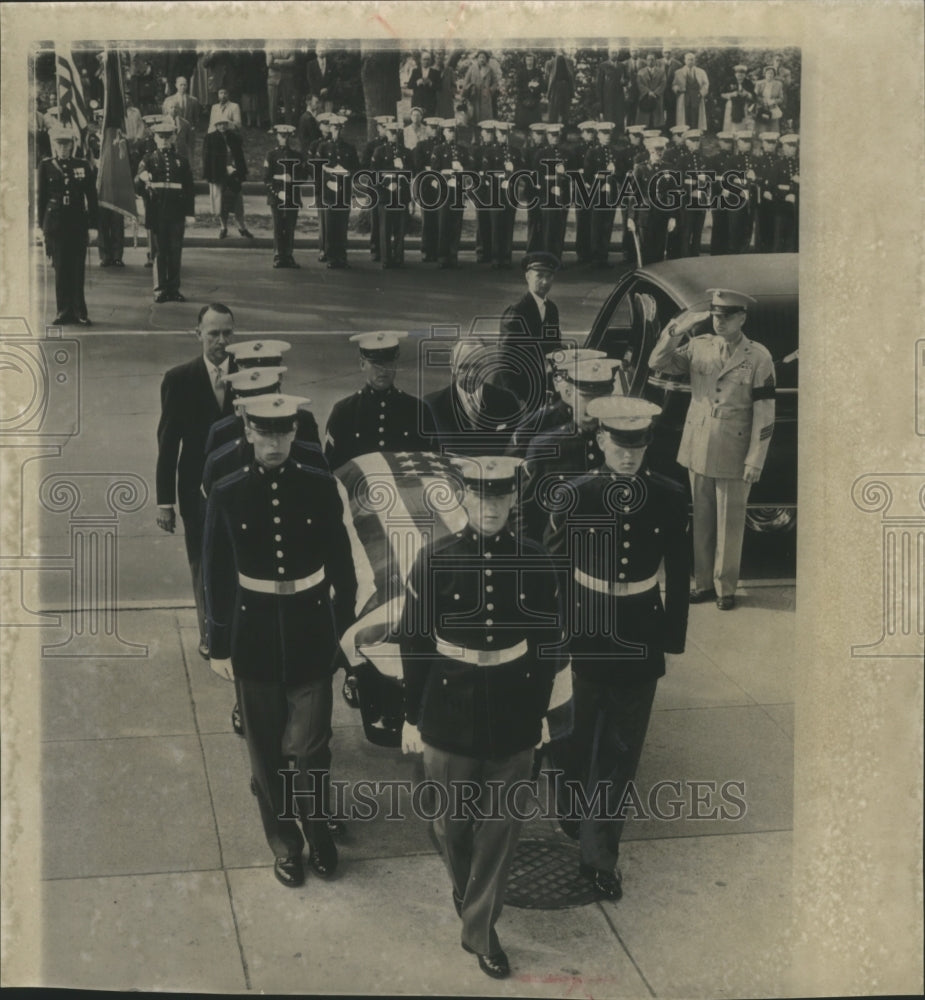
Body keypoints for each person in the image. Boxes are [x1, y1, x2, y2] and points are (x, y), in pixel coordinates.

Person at [399, 455, 572, 979]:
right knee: (451, 825)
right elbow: (413, 643)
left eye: (500, 496)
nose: (490, 506)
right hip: (449, 712)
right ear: (464, 499)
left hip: (515, 711)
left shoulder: (537, 561)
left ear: (514, 499)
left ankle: (481, 929)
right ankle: (465, 888)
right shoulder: (434, 560)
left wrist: (542, 712)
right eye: (480, 496)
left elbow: (546, 644)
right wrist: (411, 716)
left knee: (501, 829)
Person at [203, 393, 357, 888]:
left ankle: (320, 833)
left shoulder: (319, 487)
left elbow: (344, 570)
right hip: (253, 639)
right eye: (264, 433)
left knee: (309, 749)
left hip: (311, 631)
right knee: (267, 754)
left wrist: (342, 627)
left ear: (294, 433)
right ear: (247, 431)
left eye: (283, 432)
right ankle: (286, 845)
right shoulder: (227, 493)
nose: (274, 442)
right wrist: (220, 644)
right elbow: (217, 575)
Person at [545, 395, 689, 901]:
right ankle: (569, 800)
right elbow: (555, 568)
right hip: (584, 633)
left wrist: (672, 637)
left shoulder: (670, 495)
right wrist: (554, 638)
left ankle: (601, 856)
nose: (629, 455)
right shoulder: (576, 495)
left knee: (621, 753)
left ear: (648, 444)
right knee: (574, 743)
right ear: (601, 440)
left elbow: (680, 567)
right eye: (620, 443)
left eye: (639, 444)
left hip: (639, 637)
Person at [648, 288, 776, 609]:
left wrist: (755, 458)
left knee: (730, 523)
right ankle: (703, 583)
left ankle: (725, 588)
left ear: (742, 318)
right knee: (702, 519)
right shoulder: (699, 347)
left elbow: (764, 412)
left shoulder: (758, 357)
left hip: (735, 448)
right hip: (699, 444)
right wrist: (677, 328)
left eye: (727, 317)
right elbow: (657, 361)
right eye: (716, 316)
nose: (719, 322)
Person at [156, 303, 237, 659]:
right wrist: (165, 502)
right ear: (198, 334)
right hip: (196, 492)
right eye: (214, 333)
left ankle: (237, 631)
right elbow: (168, 443)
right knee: (203, 564)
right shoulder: (179, 379)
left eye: (227, 333)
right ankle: (209, 635)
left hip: (240, 487)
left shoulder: (252, 372)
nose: (221, 341)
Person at [520, 356, 620, 543]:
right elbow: (525, 513)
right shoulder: (545, 447)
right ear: (570, 394)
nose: (592, 404)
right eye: (585, 396)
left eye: (599, 397)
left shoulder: (618, 448)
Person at [323, 332, 434, 469]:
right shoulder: (344, 412)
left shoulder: (417, 410)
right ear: (362, 364)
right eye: (376, 363)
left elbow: (433, 462)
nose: (383, 370)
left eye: (389, 362)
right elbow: (331, 468)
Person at [37, 129, 98, 325]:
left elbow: (92, 197)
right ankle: (63, 311)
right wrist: (40, 226)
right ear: (54, 146)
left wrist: (93, 226)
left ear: (72, 145)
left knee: (77, 268)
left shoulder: (82, 165)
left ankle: (80, 312)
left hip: (77, 222)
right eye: (59, 144)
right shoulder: (46, 166)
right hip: (55, 223)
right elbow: (42, 199)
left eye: (66, 144)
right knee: (61, 268)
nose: (63, 148)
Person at [425, 339, 522, 453]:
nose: (471, 375)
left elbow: (517, 448)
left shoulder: (507, 401)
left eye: (477, 367)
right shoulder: (432, 406)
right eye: (464, 367)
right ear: (453, 368)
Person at [136, 120, 195, 303]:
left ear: (173, 138)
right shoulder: (148, 160)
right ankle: (160, 289)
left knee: (175, 251)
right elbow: (137, 186)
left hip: (176, 213)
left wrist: (190, 213)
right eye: (160, 137)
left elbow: (189, 189)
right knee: (160, 253)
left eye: (167, 136)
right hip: (157, 213)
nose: (164, 140)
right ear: (154, 138)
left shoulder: (181, 161)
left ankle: (174, 288)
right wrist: (142, 180)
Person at [498, 252, 562, 408]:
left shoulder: (552, 309)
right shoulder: (517, 311)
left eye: (549, 276)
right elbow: (506, 359)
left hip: (540, 387)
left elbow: (554, 346)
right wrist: (514, 398)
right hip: (516, 389)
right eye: (539, 276)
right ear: (528, 277)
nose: (545, 281)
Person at [627, 135, 679, 265]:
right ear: (650, 150)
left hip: (662, 214)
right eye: (656, 150)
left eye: (661, 149)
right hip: (645, 215)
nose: (659, 153)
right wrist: (631, 217)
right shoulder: (640, 168)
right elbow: (634, 194)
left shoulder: (669, 168)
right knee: (645, 250)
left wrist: (672, 216)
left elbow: (672, 194)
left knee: (660, 250)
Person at [203, 117, 253, 241]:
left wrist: (239, 170)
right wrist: (209, 174)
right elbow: (206, 158)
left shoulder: (234, 137)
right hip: (219, 175)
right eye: (219, 124)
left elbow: (239, 155)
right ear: (215, 125)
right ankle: (223, 227)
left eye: (224, 124)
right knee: (221, 204)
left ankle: (241, 227)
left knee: (237, 202)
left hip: (233, 174)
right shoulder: (210, 138)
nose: (222, 127)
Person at [430, 118, 471, 269]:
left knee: (456, 223)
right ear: (443, 133)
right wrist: (446, 173)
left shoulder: (462, 150)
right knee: (443, 223)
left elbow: (469, 168)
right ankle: (442, 255)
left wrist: (462, 169)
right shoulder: (438, 150)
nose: (452, 134)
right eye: (449, 131)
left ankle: (453, 254)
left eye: (454, 131)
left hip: (458, 190)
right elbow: (434, 172)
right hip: (445, 190)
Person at [370, 121, 411, 268]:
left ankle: (399, 258)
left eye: (396, 133)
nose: (394, 136)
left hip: (401, 194)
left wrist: (403, 167)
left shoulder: (406, 152)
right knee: (385, 228)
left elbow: (412, 173)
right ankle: (386, 259)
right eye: (391, 132)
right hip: (386, 196)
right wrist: (387, 184)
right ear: (387, 134)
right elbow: (374, 174)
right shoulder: (379, 151)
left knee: (400, 228)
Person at [318, 114, 358, 269]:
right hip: (329, 191)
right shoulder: (324, 147)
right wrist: (330, 170)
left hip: (344, 190)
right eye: (334, 128)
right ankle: (331, 256)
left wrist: (348, 172)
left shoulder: (349, 148)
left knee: (342, 224)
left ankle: (341, 255)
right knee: (330, 224)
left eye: (339, 128)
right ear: (330, 129)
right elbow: (317, 167)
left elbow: (356, 168)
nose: (337, 132)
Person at [586, 121, 627, 268]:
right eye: (603, 133)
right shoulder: (593, 152)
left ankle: (604, 256)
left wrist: (615, 171)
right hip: (597, 194)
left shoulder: (616, 152)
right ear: (598, 135)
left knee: (607, 225)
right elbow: (587, 175)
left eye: (608, 133)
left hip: (611, 194)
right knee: (596, 225)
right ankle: (595, 257)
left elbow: (622, 174)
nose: (607, 136)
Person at [264, 124, 304, 268]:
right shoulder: (272, 155)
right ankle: (278, 255)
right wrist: (277, 190)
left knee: (290, 226)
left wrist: (293, 178)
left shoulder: (296, 156)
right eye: (281, 135)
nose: (284, 139)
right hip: (277, 196)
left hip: (292, 195)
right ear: (277, 136)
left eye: (286, 136)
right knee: (278, 226)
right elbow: (267, 179)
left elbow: (303, 176)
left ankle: (288, 254)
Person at [678, 129, 708, 257]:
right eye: (693, 140)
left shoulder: (703, 159)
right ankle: (684, 257)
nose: (696, 143)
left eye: (697, 140)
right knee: (686, 231)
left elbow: (709, 178)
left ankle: (695, 255)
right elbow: (679, 179)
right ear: (686, 142)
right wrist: (692, 190)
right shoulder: (683, 160)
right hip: (687, 200)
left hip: (701, 199)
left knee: (698, 230)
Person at [728, 131, 758, 252]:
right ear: (738, 143)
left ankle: (744, 254)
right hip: (736, 199)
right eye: (743, 141)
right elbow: (728, 179)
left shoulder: (756, 160)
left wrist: (755, 177)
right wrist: (744, 178)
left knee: (748, 228)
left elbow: (762, 177)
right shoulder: (732, 160)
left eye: (748, 141)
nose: (746, 144)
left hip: (750, 199)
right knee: (735, 228)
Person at [708, 132, 736, 255]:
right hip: (718, 195)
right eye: (725, 141)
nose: (728, 144)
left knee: (732, 226)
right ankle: (716, 253)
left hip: (733, 196)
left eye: (730, 141)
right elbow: (712, 179)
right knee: (719, 225)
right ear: (720, 142)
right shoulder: (714, 159)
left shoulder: (735, 158)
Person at [771, 133, 799, 252]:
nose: (792, 148)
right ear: (783, 147)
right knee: (779, 237)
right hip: (781, 205)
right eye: (789, 146)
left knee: (794, 239)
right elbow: (772, 186)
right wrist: (785, 196)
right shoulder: (778, 165)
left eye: (794, 146)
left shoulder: (800, 164)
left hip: (797, 205)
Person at [754, 131, 780, 252]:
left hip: (776, 197)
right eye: (768, 143)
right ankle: (761, 250)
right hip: (762, 197)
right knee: (762, 226)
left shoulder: (779, 161)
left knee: (775, 227)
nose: (770, 146)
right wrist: (764, 191)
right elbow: (756, 179)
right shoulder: (758, 161)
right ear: (763, 144)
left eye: (773, 143)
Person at [671, 52, 709, 131]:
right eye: (688, 60)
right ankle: (685, 133)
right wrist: (677, 88)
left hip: (696, 96)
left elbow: (706, 84)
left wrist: (701, 93)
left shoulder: (701, 72)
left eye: (692, 60)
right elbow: (674, 84)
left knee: (696, 115)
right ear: (685, 61)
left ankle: (696, 133)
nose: (690, 61)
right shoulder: (678, 72)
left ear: (694, 61)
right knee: (685, 116)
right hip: (684, 96)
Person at [461, 50, 500, 125]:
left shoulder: (490, 69)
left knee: (485, 120)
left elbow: (495, 82)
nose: (482, 59)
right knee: (473, 118)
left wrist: (490, 90)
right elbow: (466, 81)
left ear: (486, 59)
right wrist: (464, 94)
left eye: (484, 57)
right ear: (477, 59)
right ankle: (474, 135)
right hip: (474, 95)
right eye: (480, 57)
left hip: (485, 97)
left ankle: (485, 134)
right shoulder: (472, 68)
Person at [595, 46, 626, 133]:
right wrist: (600, 98)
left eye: (616, 53)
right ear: (609, 54)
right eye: (612, 53)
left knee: (619, 116)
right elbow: (599, 84)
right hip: (608, 96)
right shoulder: (603, 66)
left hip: (619, 96)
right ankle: (609, 135)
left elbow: (626, 79)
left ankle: (619, 135)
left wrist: (624, 81)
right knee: (609, 116)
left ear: (618, 54)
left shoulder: (622, 66)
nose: (614, 55)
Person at [266, 47, 298, 126]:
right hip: (273, 80)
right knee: (272, 104)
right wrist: (286, 63)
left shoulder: (290, 47)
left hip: (287, 79)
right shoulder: (270, 47)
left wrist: (278, 61)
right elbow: (269, 63)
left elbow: (293, 61)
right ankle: (273, 126)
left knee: (288, 104)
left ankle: (289, 125)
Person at [514, 52, 545, 132]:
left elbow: (542, 85)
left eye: (531, 60)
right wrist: (528, 89)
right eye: (528, 60)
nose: (529, 62)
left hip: (534, 98)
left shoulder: (538, 72)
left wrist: (534, 90)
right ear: (525, 61)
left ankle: (535, 138)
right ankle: (525, 138)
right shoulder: (521, 72)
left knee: (535, 123)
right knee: (523, 122)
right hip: (523, 99)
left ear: (534, 61)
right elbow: (518, 85)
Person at [721, 64, 755, 134]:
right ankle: (729, 138)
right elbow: (721, 94)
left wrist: (747, 94)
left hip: (744, 106)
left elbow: (754, 96)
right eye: (738, 74)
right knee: (729, 123)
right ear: (735, 74)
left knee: (742, 124)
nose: (740, 76)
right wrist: (731, 94)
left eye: (742, 74)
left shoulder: (748, 83)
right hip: (731, 105)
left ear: (745, 75)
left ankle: (741, 139)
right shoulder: (729, 81)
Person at [405, 51, 441, 118]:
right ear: (421, 60)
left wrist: (431, 83)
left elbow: (439, 87)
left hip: (430, 103)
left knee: (429, 121)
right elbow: (409, 85)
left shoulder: (436, 73)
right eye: (424, 59)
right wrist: (417, 83)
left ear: (430, 61)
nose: (426, 61)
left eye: (428, 59)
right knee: (417, 121)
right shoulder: (415, 71)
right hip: (417, 102)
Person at [635, 52, 666, 127]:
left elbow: (663, 84)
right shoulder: (641, 72)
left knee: (656, 118)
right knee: (644, 118)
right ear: (646, 61)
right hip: (645, 97)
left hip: (657, 97)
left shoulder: (661, 72)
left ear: (655, 61)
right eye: (648, 60)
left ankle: (656, 131)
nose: (650, 61)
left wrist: (655, 93)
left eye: (652, 59)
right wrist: (648, 92)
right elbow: (639, 84)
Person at [546, 51, 575, 125]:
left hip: (566, 87)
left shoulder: (570, 62)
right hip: (555, 87)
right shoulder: (550, 63)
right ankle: (552, 132)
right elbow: (547, 77)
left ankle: (564, 134)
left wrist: (572, 92)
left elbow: (571, 77)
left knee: (566, 113)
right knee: (553, 112)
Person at [307, 43, 337, 113]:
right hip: (316, 95)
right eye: (319, 51)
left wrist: (327, 89)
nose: (321, 52)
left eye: (323, 50)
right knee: (316, 117)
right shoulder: (310, 64)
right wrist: (319, 90)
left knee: (328, 118)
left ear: (326, 51)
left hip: (328, 96)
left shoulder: (332, 63)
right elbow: (310, 80)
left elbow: (334, 79)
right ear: (316, 52)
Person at [753, 65, 784, 134]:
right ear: (765, 74)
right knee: (761, 129)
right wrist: (762, 101)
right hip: (761, 109)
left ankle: (772, 143)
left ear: (774, 75)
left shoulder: (778, 84)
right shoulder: (759, 83)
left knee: (773, 130)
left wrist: (774, 101)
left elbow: (781, 99)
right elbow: (755, 96)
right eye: (768, 73)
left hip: (773, 108)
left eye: (772, 73)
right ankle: (760, 143)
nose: (770, 75)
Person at [660, 48, 683, 128]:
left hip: (672, 92)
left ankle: (670, 130)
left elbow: (680, 78)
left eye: (669, 52)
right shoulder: (657, 63)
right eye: (665, 52)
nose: (667, 54)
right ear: (662, 53)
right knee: (660, 111)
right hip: (660, 91)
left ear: (671, 53)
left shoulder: (678, 64)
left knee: (671, 112)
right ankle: (661, 130)